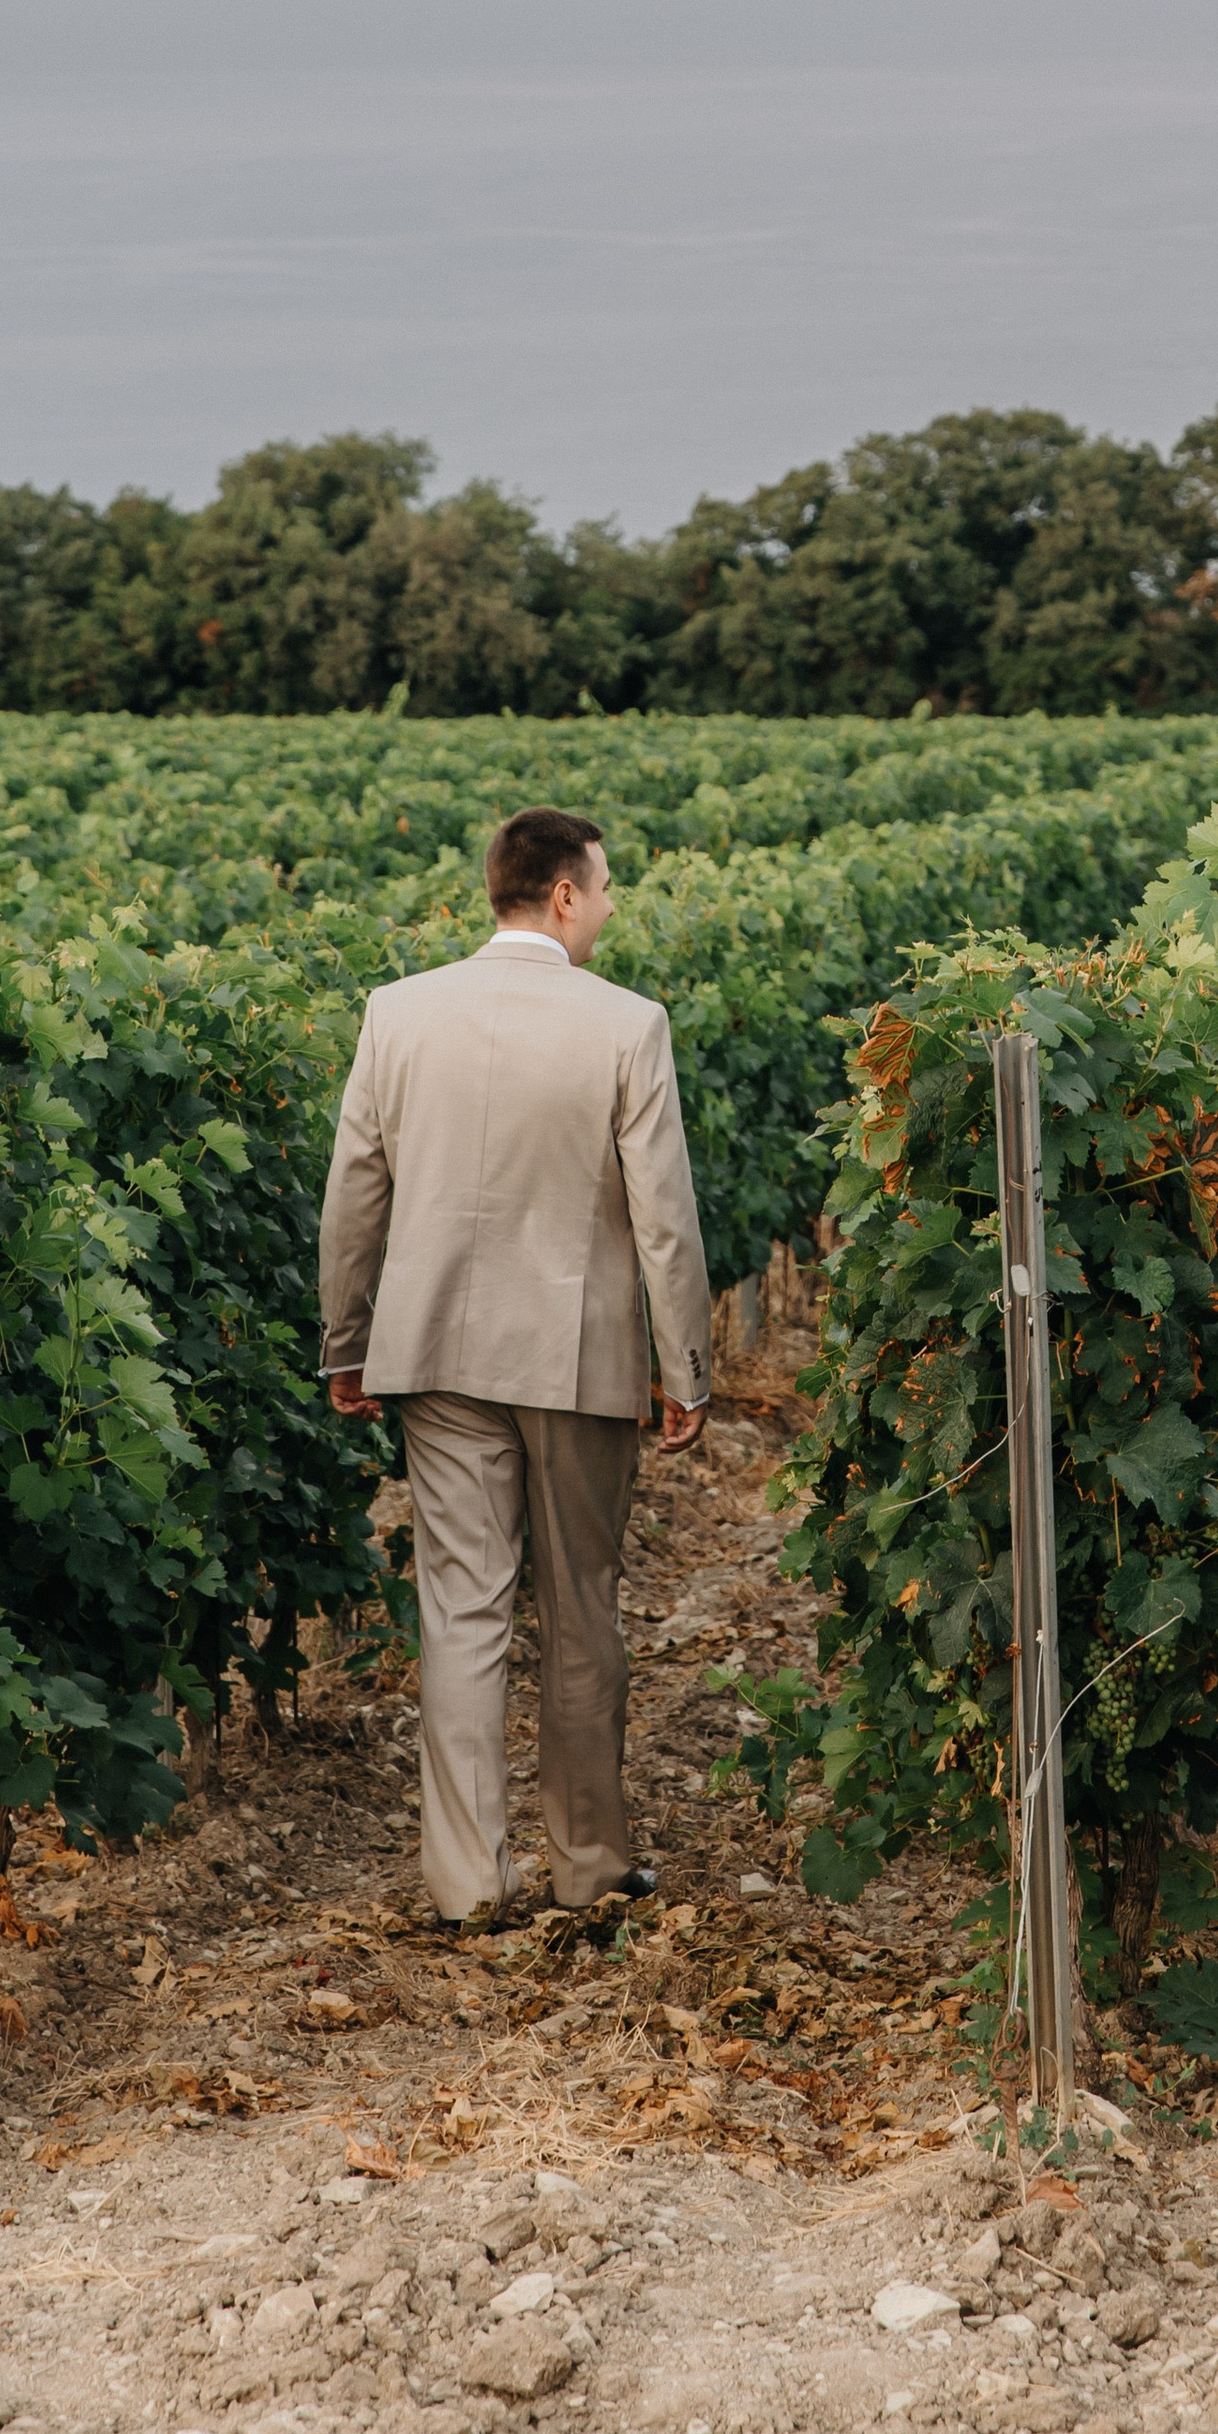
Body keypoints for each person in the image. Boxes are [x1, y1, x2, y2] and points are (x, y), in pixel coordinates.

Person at [317, 805, 712, 1925]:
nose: (610, 906)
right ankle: (588, 1865)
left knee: (461, 1610)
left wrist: (347, 1342)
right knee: (581, 1608)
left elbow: (356, 1191)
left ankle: (463, 1884)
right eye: (606, 886)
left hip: (433, 1348)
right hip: (577, 1356)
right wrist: (685, 1366)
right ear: (563, 895)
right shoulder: (627, 1025)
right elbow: (665, 1223)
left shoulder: (398, 1013)